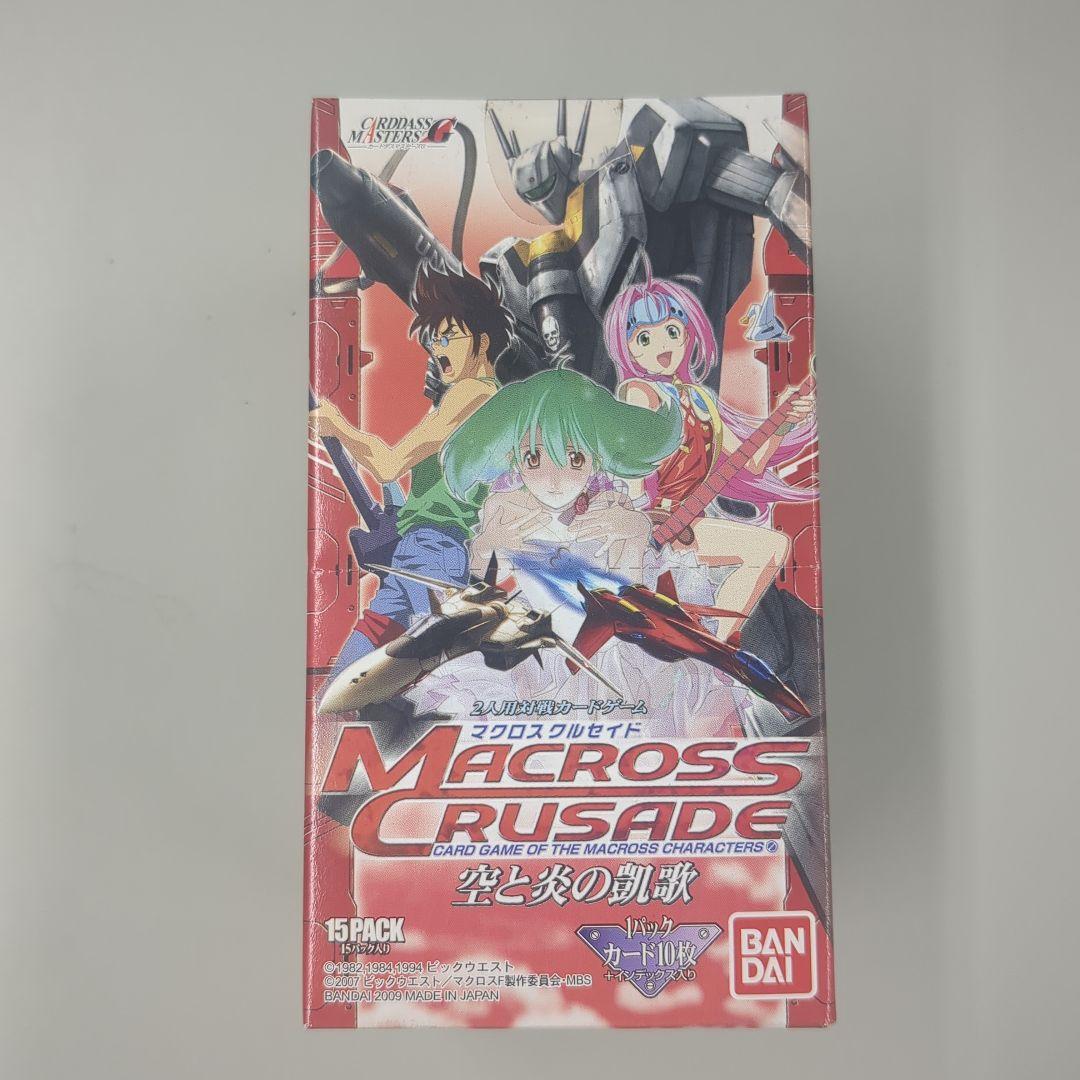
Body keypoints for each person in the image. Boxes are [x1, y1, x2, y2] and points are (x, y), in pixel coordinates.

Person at [309, 261, 513, 674]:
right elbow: (396, 471)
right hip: (413, 553)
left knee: (442, 674)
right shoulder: (456, 399)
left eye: (449, 337)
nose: (438, 349)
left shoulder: (473, 394)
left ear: (483, 341)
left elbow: (389, 464)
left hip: (438, 553)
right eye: (434, 339)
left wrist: (339, 426)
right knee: (351, 677)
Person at [603, 262, 817, 641]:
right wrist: (636, 523)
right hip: (649, 524)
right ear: (628, 349)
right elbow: (632, 464)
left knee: (771, 547)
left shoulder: (701, 399)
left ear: (688, 334)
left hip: (689, 525)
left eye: (671, 331)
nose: (661, 346)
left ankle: (716, 641)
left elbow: (751, 463)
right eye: (644, 338)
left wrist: (783, 419)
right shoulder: (640, 393)